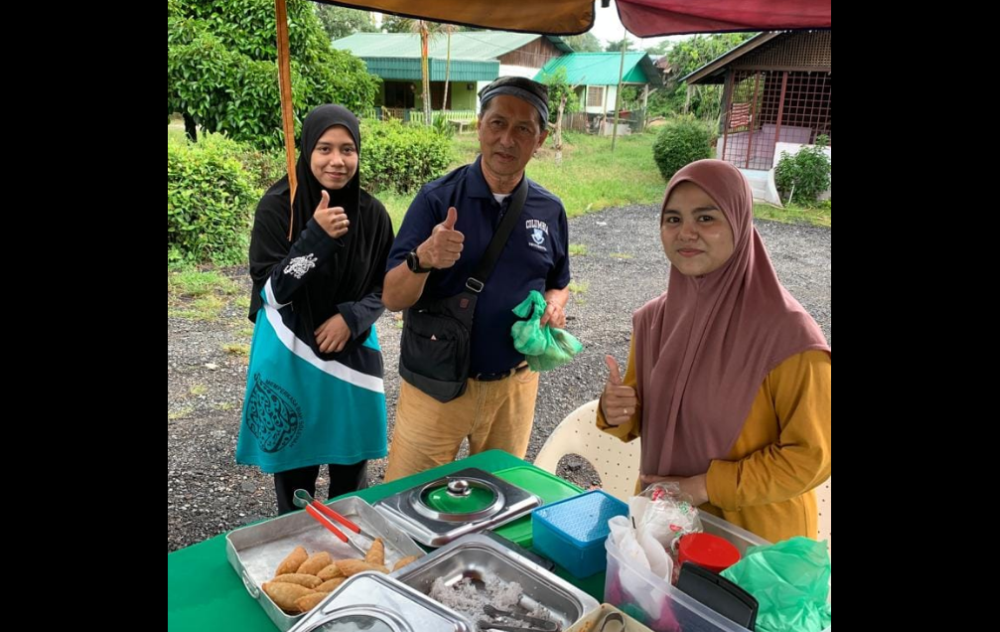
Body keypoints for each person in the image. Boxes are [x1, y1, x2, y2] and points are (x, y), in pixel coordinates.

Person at [598, 159, 831, 542]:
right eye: (672, 220)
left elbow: (811, 458)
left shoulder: (789, 337)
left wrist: (706, 486)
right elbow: (639, 414)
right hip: (666, 534)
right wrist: (615, 411)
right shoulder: (654, 320)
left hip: (755, 551)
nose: (685, 232)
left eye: (705, 218)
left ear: (739, 224)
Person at [381, 77, 571, 481]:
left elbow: (559, 280)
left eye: (523, 129)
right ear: (479, 124)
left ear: (541, 139)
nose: (507, 139)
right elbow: (393, 297)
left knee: (501, 497)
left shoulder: (549, 209)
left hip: (515, 387)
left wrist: (554, 304)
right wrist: (424, 258)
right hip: (437, 386)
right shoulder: (437, 199)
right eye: (498, 123)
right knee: (407, 499)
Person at [237, 105, 394, 514]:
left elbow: (386, 285)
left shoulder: (373, 213)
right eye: (324, 148)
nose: (337, 161)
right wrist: (315, 238)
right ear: (307, 149)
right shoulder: (277, 208)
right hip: (290, 352)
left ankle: (347, 556)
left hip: (352, 355)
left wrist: (352, 318)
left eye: (347, 149)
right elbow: (272, 292)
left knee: (350, 473)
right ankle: (297, 552)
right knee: (295, 479)